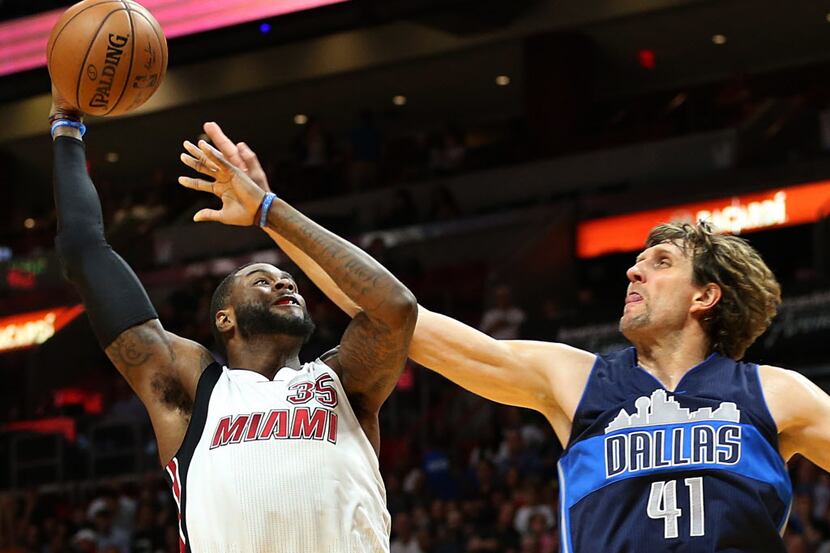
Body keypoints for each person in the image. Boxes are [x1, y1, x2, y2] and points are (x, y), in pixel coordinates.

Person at [200, 123, 830, 552]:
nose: (634, 270)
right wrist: (269, 213)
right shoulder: (576, 380)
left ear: (706, 296)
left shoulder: (777, 395)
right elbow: (396, 319)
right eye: (638, 260)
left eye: (661, 262)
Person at [48, 87, 417, 552]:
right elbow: (84, 251)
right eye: (262, 281)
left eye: (289, 281)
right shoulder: (192, 390)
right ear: (224, 318)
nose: (286, 284)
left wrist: (270, 210)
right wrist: (66, 123)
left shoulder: (343, 381)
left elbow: (396, 308)